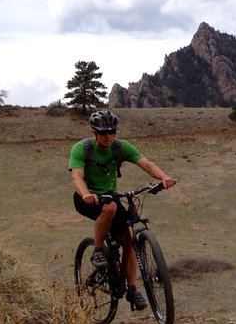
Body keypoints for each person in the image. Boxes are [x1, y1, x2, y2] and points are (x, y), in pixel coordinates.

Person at [69, 110, 176, 311]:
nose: (109, 136)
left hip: (111, 196)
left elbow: (145, 163)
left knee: (129, 234)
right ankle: (98, 250)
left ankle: (133, 289)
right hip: (86, 198)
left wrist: (163, 178)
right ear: (94, 132)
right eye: (104, 132)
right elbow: (77, 177)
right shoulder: (81, 149)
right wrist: (86, 194)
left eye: (112, 132)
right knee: (109, 208)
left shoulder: (120, 147)